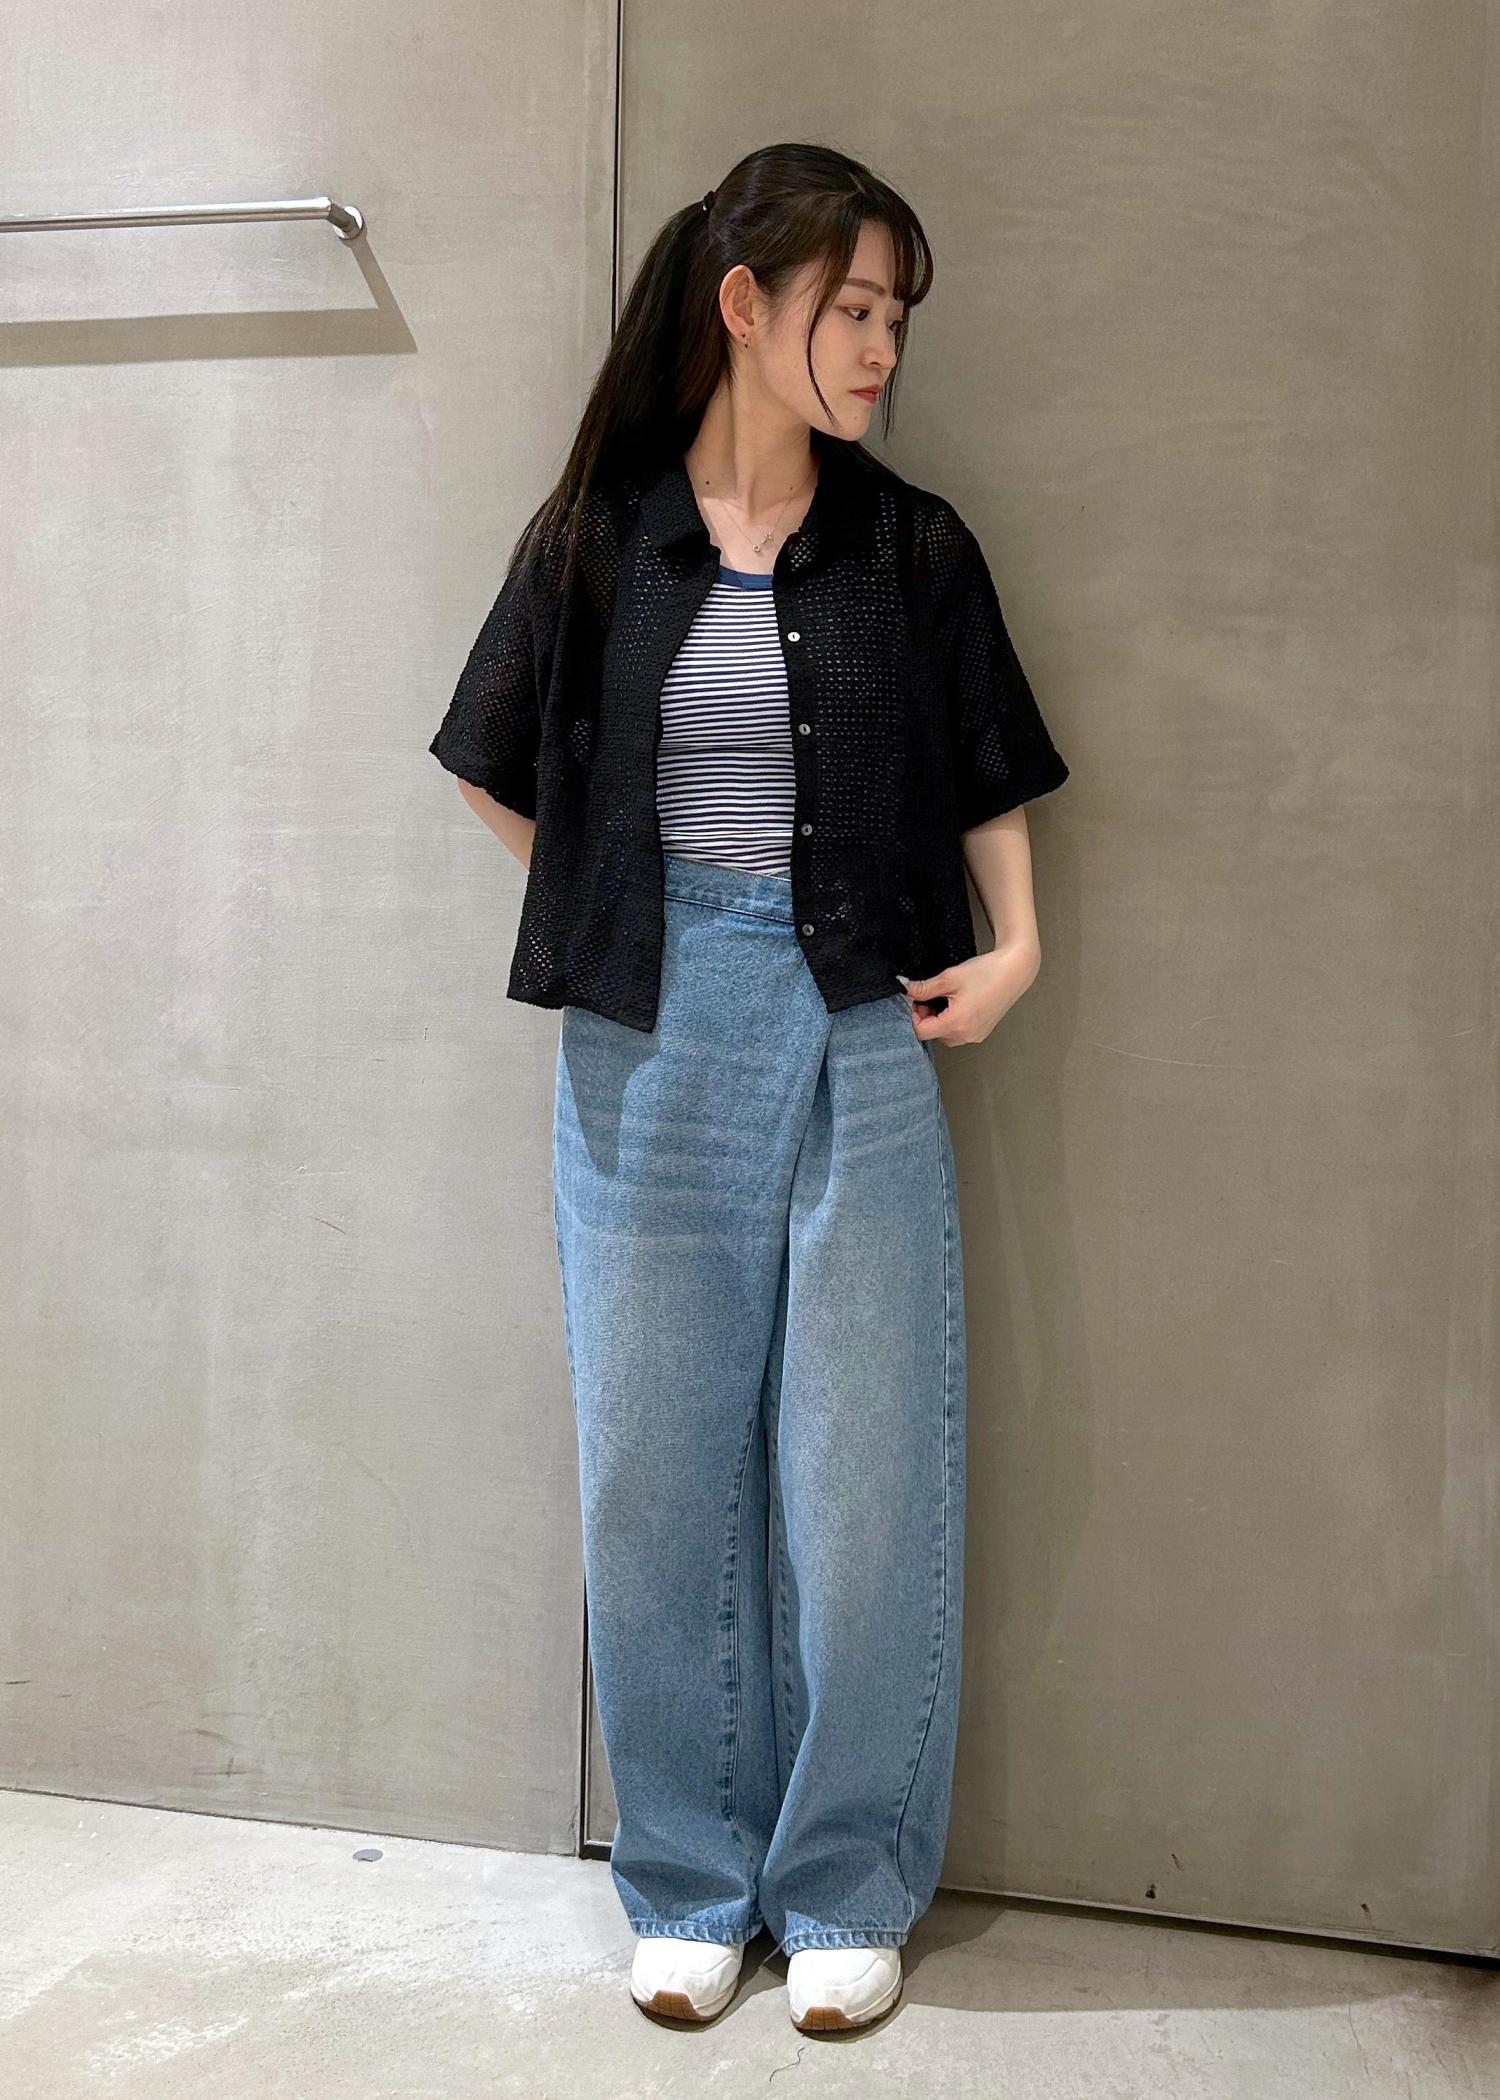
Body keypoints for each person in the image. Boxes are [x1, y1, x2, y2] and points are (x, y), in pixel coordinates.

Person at [428, 142, 1070, 2035]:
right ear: (743, 304)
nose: (879, 348)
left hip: (863, 1013)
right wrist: (611, 897)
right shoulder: (596, 537)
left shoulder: (912, 545)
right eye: (850, 307)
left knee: (863, 1473)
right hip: (646, 1031)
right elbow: (482, 752)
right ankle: (691, 1880)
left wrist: (1018, 943)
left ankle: (848, 1880)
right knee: (655, 1467)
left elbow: (990, 762)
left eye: (895, 318)